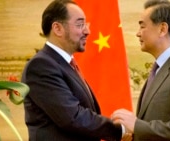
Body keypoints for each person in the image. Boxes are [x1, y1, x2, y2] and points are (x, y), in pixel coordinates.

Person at [21, 0, 124, 141]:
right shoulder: (41, 65)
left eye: (86, 24)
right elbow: (72, 117)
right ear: (57, 28)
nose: (87, 31)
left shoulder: (64, 63)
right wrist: (120, 129)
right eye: (80, 24)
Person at [112, 0, 170, 141]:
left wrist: (137, 126)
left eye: (142, 26)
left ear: (162, 29)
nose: (138, 34)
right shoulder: (160, 67)